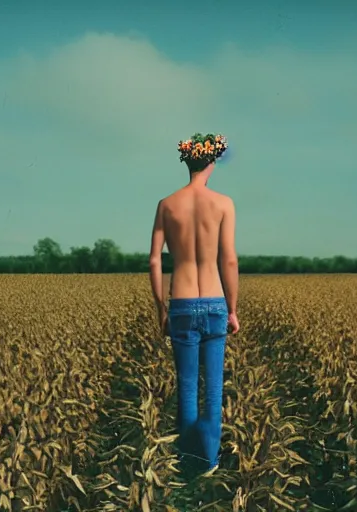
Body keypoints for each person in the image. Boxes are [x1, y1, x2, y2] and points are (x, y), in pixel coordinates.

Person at [148, 132, 240, 476]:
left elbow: (155, 260)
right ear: (211, 163)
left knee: (186, 386)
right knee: (213, 388)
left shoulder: (166, 205)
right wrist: (231, 309)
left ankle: (187, 461)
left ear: (187, 161)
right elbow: (228, 260)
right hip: (215, 302)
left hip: (182, 304)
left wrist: (161, 309)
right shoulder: (224, 204)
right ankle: (209, 461)